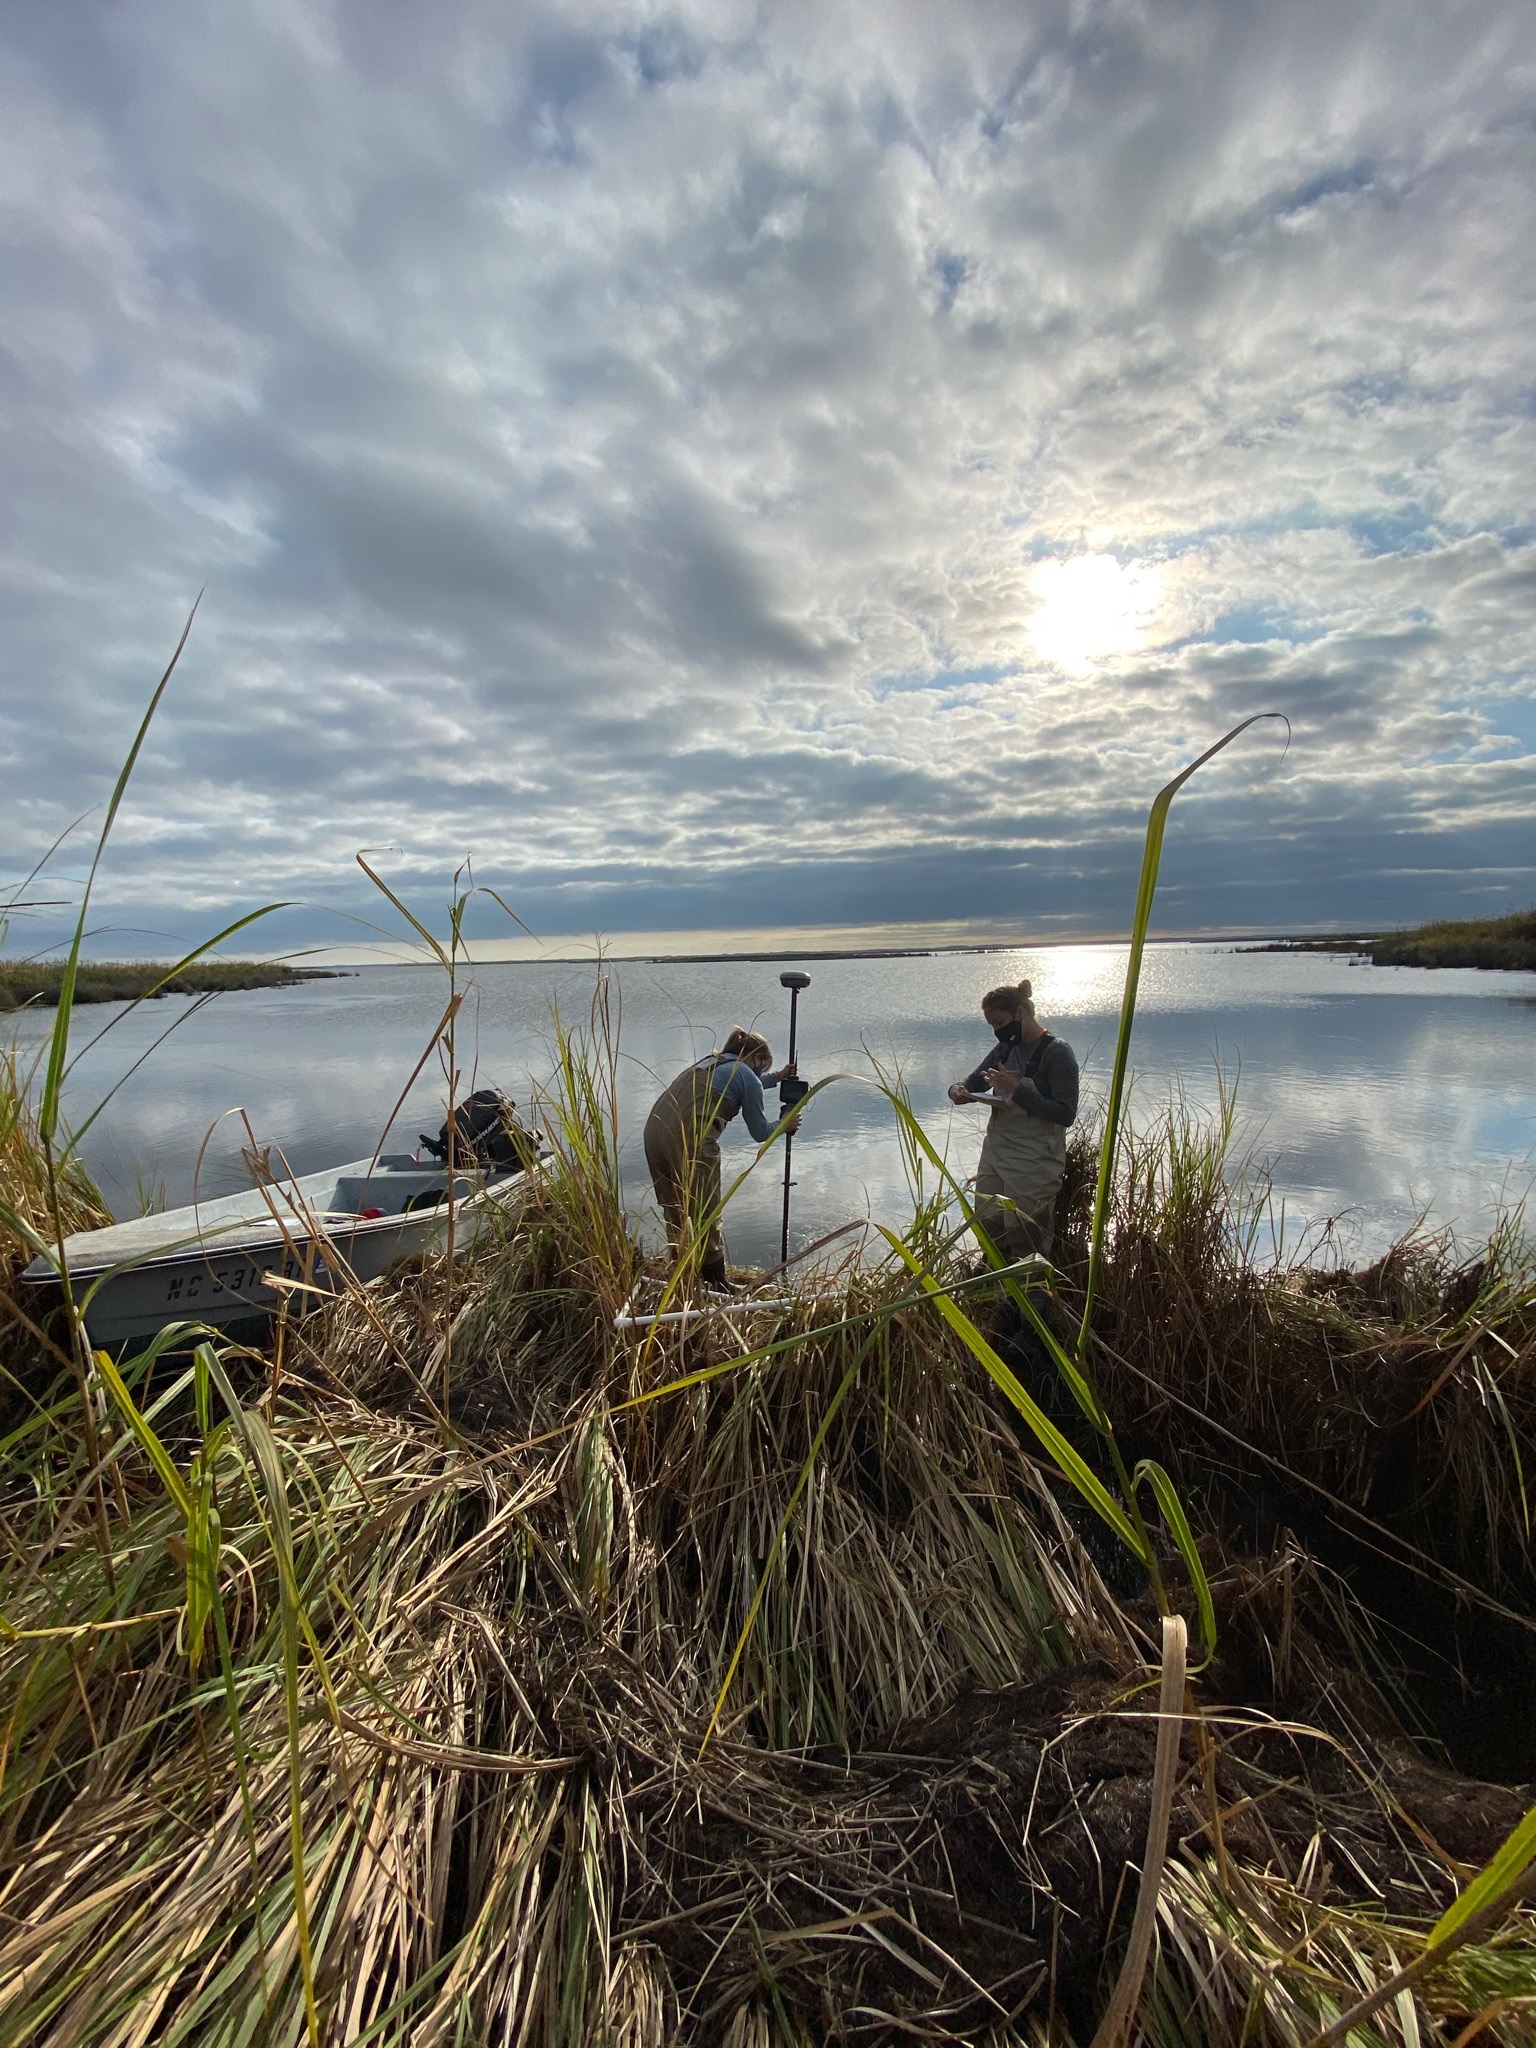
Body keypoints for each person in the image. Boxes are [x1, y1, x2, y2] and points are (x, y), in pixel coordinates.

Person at [644, 1028, 799, 1289]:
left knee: (675, 1207)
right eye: (764, 1066)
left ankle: (681, 1273)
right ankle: (717, 1282)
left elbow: (748, 1082)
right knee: (707, 1210)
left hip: (654, 1133)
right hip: (691, 1139)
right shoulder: (747, 1075)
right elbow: (760, 1132)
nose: (761, 1072)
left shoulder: (711, 1062)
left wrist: (779, 1077)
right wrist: (784, 1124)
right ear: (757, 1058)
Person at [948, 980, 1079, 1260]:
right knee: (989, 1228)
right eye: (992, 1025)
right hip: (996, 1153)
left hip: (1035, 1161)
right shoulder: (1005, 1050)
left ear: (1020, 1012)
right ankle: (994, 1294)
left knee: (1027, 1238)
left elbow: (1066, 1114)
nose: (998, 1031)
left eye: (1000, 1022)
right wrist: (957, 1091)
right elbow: (973, 1081)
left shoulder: (1057, 1052)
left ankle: (1033, 1300)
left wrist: (1017, 1091)